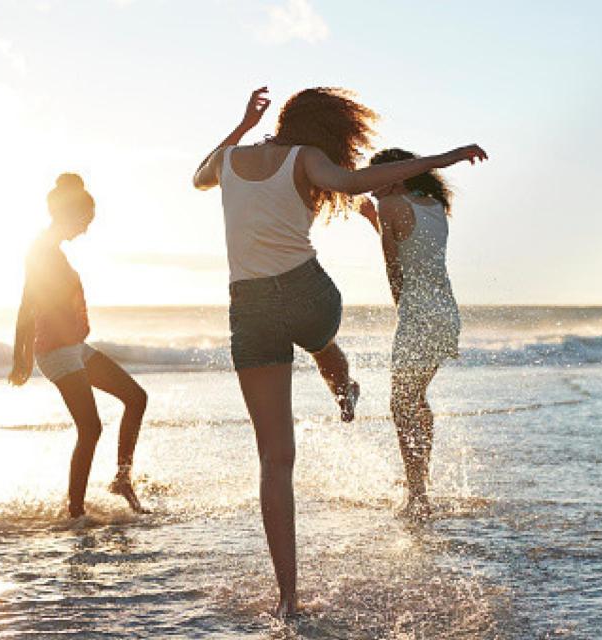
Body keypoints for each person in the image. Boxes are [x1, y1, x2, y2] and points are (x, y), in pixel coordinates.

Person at [193, 86, 487, 616]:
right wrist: (445, 158)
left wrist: (240, 125)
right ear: (330, 130)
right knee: (320, 340)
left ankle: (287, 598)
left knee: (275, 461)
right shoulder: (308, 159)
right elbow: (355, 184)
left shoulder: (230, 159)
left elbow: (199, 178)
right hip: (310, 297)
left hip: (251, 310)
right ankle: (343, 383)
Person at [8, 173, 148, 519]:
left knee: (136, 397)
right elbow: (27, 304)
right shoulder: (41, 250)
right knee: (90, 427)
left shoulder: (52, 250)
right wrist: (20, 356)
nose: (86, 229)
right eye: (85, 221)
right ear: (68, 214)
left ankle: (121, 479)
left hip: (73, 346)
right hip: (55, 350)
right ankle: (75, 512)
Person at [359, 148, 463, 521]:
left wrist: (402, 312)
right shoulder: (434, 205)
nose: (369, 190)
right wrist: (374, 218)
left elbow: (394, 266)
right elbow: (412, 246)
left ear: (397, 177)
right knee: (415, 398)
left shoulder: (391, 207)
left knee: (401, 404)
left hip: (419, 315)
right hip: (446, 314)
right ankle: (421, 483)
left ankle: (417, 495)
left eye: (374, 182)